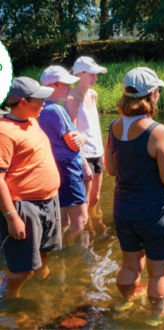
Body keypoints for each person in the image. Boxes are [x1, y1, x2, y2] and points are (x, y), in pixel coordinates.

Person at [105, 67, 164, 324]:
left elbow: (111, 169)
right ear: (150, 95)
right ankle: (155, 317)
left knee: (129, 265)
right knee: (159, 274)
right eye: (158, 92)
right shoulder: (158, 131)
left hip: (124, 209)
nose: (158, 95)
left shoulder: (114, 127)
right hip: (155, 211)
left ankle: (126, 303)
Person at [0, 77, 61, 298]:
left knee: (43, 255)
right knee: (20, 269)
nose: (44, 104)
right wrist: (11, 217)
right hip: (24, 207)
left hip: (48, 201)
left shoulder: (32, 120)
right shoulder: (4, 132)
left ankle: (44, 295)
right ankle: (11, 306)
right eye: (39, 100)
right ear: (23, 102)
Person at [39, 66, 89, 246]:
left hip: (53, 166)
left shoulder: (38, 107)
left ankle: (56, 254)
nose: (69, 89)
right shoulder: (57, 110)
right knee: (80, 220)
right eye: (66, 85)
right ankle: (70, 253)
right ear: (52, 85)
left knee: (62, 219)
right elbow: (73, 142)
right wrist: (83, 137)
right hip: (68, 168)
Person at [66, 56, 107, 231]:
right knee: (85, 200)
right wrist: (83, 164)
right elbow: (73, 134)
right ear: (80, 74)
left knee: (95, 198)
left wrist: (103, 154)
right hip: (84, 156)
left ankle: (92, 227)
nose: (96, 78)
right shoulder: (71, 98)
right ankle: (85, 233)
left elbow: (94, 128)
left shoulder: (94, 94)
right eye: (92, 74)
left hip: (97, 152)